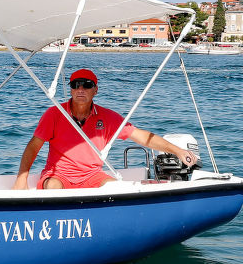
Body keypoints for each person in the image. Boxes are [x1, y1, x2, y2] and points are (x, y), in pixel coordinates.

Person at [13, 68, 196, 190]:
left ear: (96, 90)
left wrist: (178, 151)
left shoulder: (108, 117)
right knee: (53, 187)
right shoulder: (54, 114)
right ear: (71, 90)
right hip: (58, 175)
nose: (81, 89)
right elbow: (33, 147)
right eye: (76, 85)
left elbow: (142, 136)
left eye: (87, 85)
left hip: (92, 175)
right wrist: (22, 177)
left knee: (116, 189)